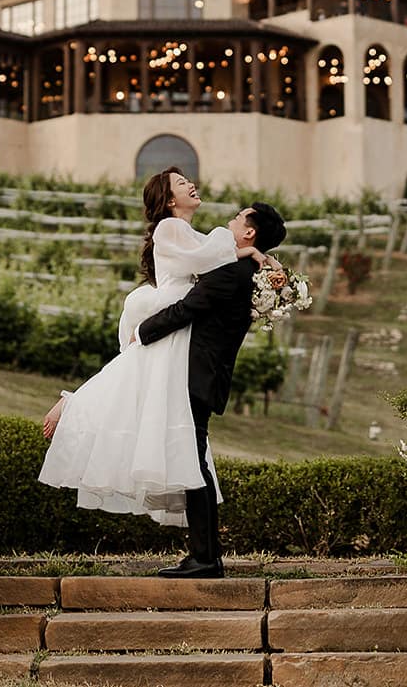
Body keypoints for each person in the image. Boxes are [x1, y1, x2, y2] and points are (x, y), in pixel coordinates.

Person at [37, 168, 277, 526]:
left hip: (180, 325)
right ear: (167, 201)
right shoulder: (170, 227)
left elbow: (209, 260)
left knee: (141, 392)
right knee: (132, 380)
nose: (191, 185)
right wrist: (247, 251)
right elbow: (205, 261)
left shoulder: (187, 232)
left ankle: (73, 403)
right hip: (171, 314)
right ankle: (70, 405)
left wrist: (246, 254)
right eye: (181, 184)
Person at [138, 200, 286, 578]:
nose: (231, 219)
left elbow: (188, 307)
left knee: (194, 463)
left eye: (238, 218)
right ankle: (204, 556)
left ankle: (205, 558)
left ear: (250, 231)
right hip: (205, 375)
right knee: (194, 460)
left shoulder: (232, 273)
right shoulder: (242, 268)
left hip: (198, 376)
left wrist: (142, 331)